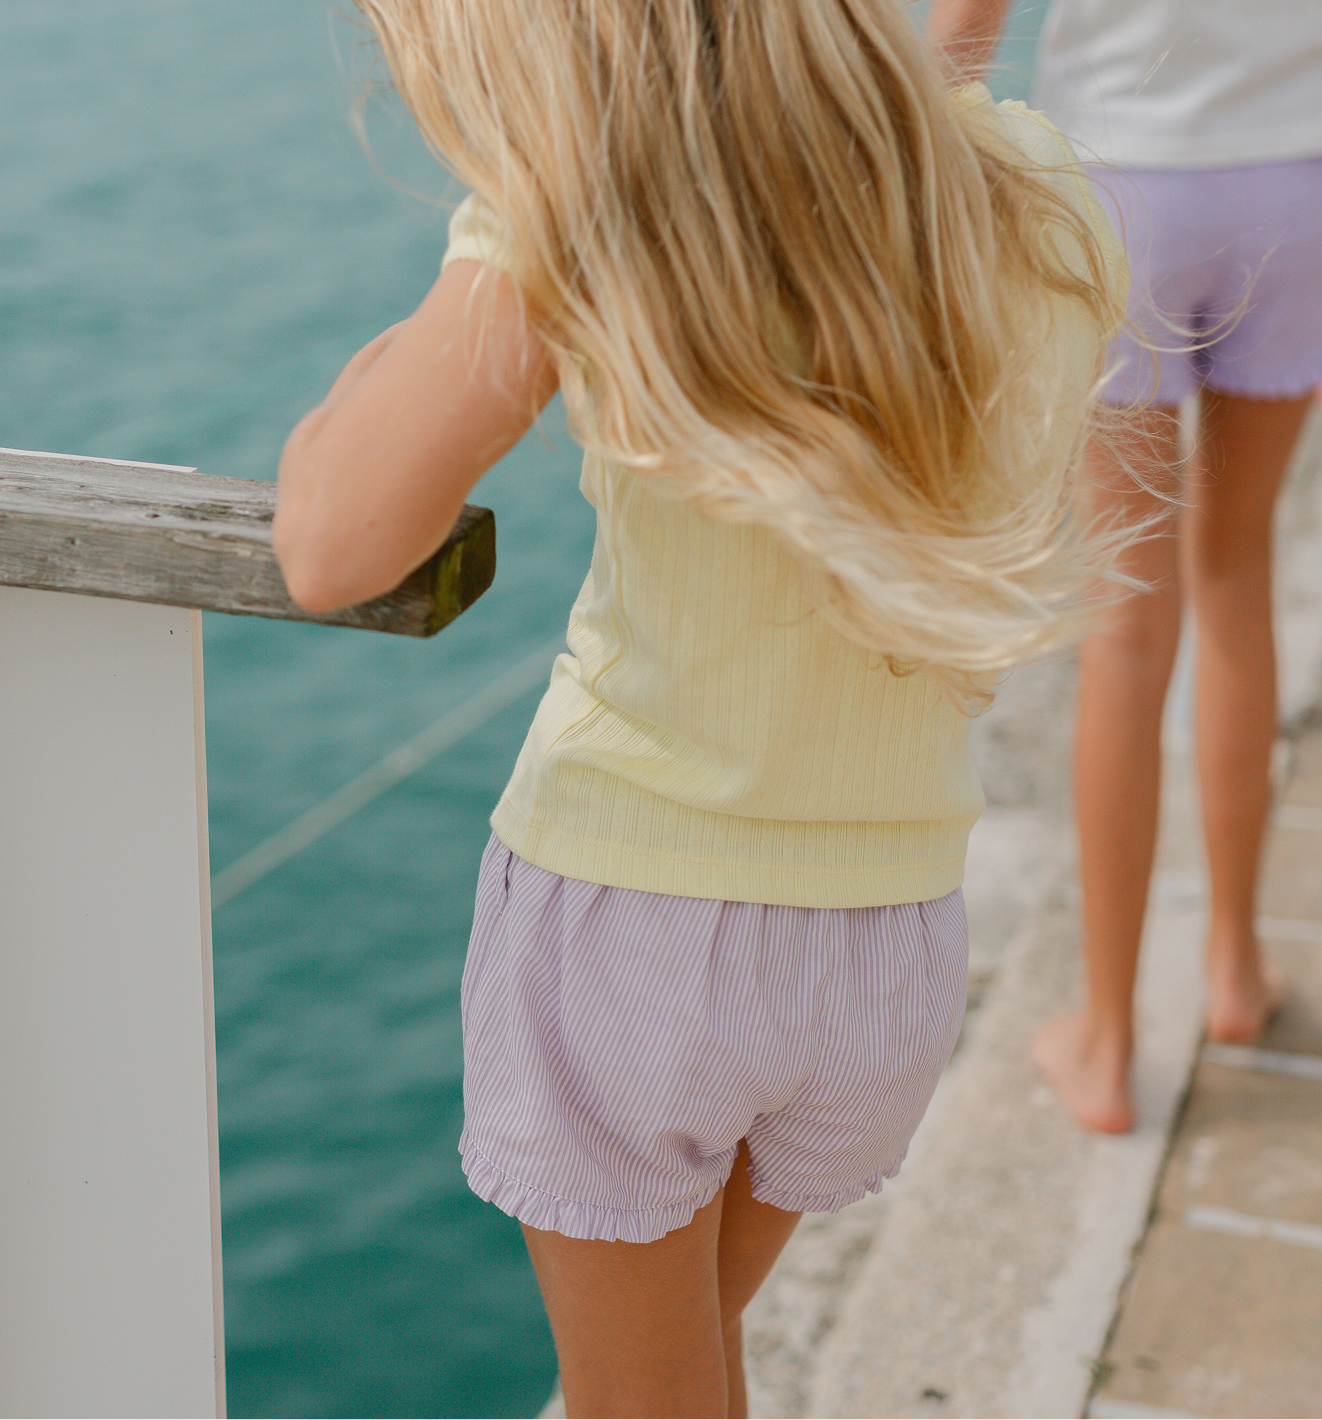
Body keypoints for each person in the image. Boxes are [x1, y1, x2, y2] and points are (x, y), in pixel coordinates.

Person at [271, 2, 1125, 1415]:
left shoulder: (596, 198)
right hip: (887, 939)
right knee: (689, 1365)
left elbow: (331, 542)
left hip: (635, 929)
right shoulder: (1034, 183)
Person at [930, 0, 1322, 1135]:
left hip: (1126, 190)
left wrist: (866, 170)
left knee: (1124, 619)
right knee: (1236, 569)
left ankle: (1106, 1044)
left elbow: (964, 25)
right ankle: (1236, 969)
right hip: (1295, 179)